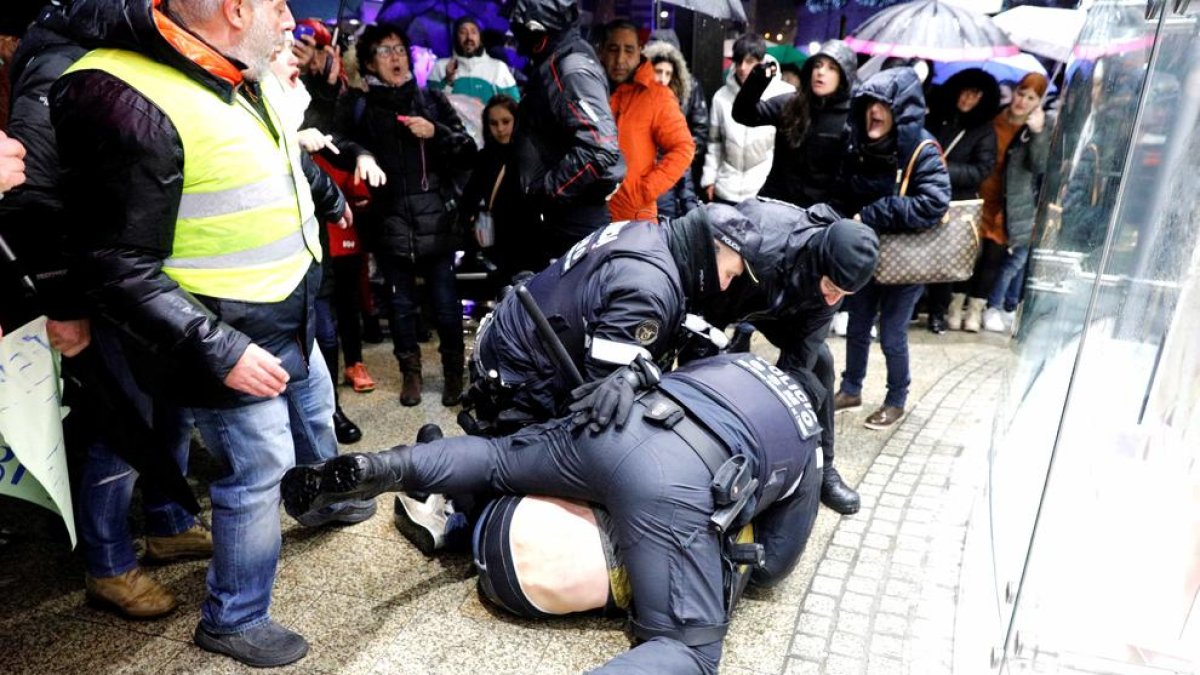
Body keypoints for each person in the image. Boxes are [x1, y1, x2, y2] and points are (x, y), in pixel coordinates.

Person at [50, 0, 374, 665]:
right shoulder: (125, 92)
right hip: (225, 337)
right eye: (277, 5)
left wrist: (321, 189)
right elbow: (116, 264)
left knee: (311, 414)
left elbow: (270, 156)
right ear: (233, 10)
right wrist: (223, 350)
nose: (289, 20)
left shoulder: (232, 68)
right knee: (259, 466)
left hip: (286, 309)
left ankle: (316, 504)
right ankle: (233, 615)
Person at [281, 352, 820, 673]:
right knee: (691, 650)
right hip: (672, 481)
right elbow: (774, 564)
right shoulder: (809, 441)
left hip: (617, 423)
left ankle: (382, 465)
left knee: (493, 459)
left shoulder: (739, 362)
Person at [2, 2, 214, 620]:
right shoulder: (61, 59)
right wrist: (64, 302)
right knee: (119, 428)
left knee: (168, 407)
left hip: (144, 276)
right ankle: (109, 565)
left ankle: (168, 521)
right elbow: (33, 192)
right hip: (99, 282)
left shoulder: (120, 49)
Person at [464, 203, 755, 431]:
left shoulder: (646, 233)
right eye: (728, 273)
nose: (725, 285)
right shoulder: (649, 289)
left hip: (514, 338)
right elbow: (602, 397)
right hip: (523, 376)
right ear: (709, 249)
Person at [689, 198, 880, 515]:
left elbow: (797, 362)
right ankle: (699, 458)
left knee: (818, 366)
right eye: (832, 286)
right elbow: (708, 305)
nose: (834, 298)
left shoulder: (836, 281)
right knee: (704, 361)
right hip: (736, 290)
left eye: (843, 295)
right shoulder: (764, 240)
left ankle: (823, 468)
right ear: (822, 259)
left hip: (789, 309)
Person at [337, 24, 477, 408]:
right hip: (390, 222)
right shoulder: (361, 107)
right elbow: (337, 144)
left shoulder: (431, 101)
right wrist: (361, 153)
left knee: (446, 306)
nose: (396, 57)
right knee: (400, 306)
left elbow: (467, 150)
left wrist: (435, 132)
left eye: (400, 49)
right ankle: (410, 374)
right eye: (384, 51)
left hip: (437, 221)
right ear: (368, 62)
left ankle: (453, 373)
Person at [831, 67, 952, 431]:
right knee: (857, 324)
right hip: (868, 254)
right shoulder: (859, 145)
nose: (875, 110)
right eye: (870, 102)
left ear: (902, 110)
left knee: (892, 333)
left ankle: (896, 399)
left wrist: (875, 212)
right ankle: (851, 389)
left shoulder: (921, 149)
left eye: (885, 104)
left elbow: (934, 203)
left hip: (905, 259)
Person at [501, 0, 624, 264]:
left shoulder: (570, 66)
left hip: (569, 221)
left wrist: (547, 193)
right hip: (556, 219)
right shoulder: (556, 61)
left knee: (569, 302)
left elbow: (599, 147)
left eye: (519, 24)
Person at [731, 39, 858, 211]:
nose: (821, 72)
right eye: (818, 65)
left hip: (816, 215)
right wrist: (758, 79)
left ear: (843, 77)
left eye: (831, 68)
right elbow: (743, 114)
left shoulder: (850, 117)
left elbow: (848, 180)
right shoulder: (791, 103)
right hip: (774, 205)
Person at [923, 68, 1000, 333]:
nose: (967, 98)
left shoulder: (984, 131)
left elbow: (981, 170)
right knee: (916, 252)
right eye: (964, 91)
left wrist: (945, 167)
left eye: (975, 94)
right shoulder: (938, 117)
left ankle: (937, 312)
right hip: (927, 195)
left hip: (956, 202)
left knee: (945, 262)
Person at [976, 73, 1052, 333]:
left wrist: (1038, 132)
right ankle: (960, 305)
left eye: (1031, 97)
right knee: (972, 254)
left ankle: (988, 307)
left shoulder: (1036, 128)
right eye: (1021, 93)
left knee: (996, 259)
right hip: (981, 194)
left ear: (1038, 102)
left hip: (1009, 203)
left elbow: (1040, 165)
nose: (1022, 101)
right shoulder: (993, 117)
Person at [599, 19, 693, 221]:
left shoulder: (656, 95)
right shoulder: (590, 89)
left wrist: (644, 190)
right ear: (602, 51)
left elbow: (683, 147)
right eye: (613, 49)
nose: (620, 59)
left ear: (640, 51)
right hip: (589, 213)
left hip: (634, 214)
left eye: (629, 50)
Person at [700, 33, 794, 205]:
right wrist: (709, 179)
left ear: (762, 62)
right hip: (726, 188)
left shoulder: (783, 95)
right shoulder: (721, 97)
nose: (743, 67)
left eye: (750, 61)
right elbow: (714, 142)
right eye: (738, 61)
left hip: (763, 191)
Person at [643, 39, 701, 219]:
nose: (663, 79)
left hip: (664, 187)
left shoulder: (672, 106)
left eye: (668, 74)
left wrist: (689, 203)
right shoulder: (632, 102)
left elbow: (681, 153)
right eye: (658, 71)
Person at [428, 16, 519, 106]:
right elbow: (430, 105)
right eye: (463, 32)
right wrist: (447, 82)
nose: (469, 37)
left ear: (480, 37)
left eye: (474, 32)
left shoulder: (498, 68)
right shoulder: (439, 67)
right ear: (455, 37)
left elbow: (514, 105)